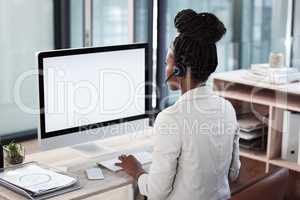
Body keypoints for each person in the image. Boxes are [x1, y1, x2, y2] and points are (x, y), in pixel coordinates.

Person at [115, 9, 240, 200]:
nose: (165, 68)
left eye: (167, 63)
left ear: (178, 69)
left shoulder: (171, 118)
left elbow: (157, 192)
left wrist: (138, 171)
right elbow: (233, 173)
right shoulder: (227, 108)